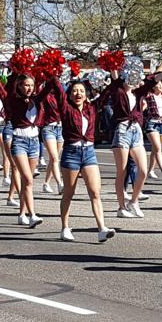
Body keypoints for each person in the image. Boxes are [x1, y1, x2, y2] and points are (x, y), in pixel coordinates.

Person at [0, 66, 52, 228]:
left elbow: (50, 86)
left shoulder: (37, 99)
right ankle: (32, 215)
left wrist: (51, 71)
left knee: (26, 182)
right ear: (19, 85)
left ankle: (22, 214)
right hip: (19, 141)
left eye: (32, 85)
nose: (29, 88)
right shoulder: (12, 100)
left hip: (34, 142)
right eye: (26, 85)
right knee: (28, 179)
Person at [103, 62, 162, 218]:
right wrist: (113, 64)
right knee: (122, 171)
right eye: (130, 75)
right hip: (122, 130)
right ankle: (121, 207)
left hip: (136, 131)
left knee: (143, 170)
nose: (133, 78)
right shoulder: (118, 90)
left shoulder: (138, 93)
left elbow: (153, 79)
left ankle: (133, 202)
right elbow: (115, 78)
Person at [54, 79, 116, 242]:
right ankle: (64, 228)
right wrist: (52, 73)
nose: (78, 94)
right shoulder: (66, 108)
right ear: (69, 94)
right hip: (71, 153)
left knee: (95, 192)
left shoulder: (92, 108)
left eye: (81, 91)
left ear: (86, 94)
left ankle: (102, 229)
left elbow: (107, 92)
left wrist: (115, 75)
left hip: (89, 152)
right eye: (75, 91)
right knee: (69, 193)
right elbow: (58, 90)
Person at [39, 84, 65, 194]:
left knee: (54, 158)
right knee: (54, 158)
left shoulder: (62, 96)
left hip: (60, 128)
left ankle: (46, 183)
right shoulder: (46, 95)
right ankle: (60, 184)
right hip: (49, 128)